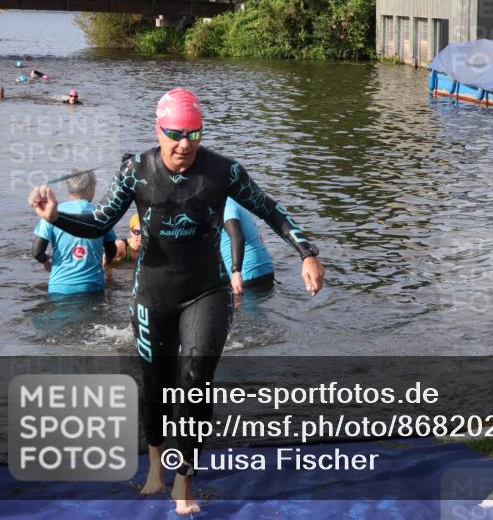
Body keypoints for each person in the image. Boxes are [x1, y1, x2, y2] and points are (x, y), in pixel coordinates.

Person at [28, 88, 325, 515]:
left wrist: (307, 253)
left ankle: (183, 480)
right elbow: (100, 225)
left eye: (193, 134)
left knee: (194, 382)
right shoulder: (136, 170)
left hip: (207, 290)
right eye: (175, 134)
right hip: (152, 293)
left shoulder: (224, 171)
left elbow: (269, 208)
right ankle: (154, 468)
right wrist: (55, 218)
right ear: (159, 131)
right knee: (156, 386)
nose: (184, 143)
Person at [32, 170, 117, 295]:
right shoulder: (101, 214)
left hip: (59, 288)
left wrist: (46, 261)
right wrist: (108, 261)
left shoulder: (53, 213)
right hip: (92, 287)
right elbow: (111, 250)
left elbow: (36, 252)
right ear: (89, 189)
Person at [221, 198, 275, 300]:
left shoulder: (226, 205)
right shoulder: (236, 203)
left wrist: (236, 271)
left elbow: (237, 236)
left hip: (247, 275)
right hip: (265, 271)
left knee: (241, 314)